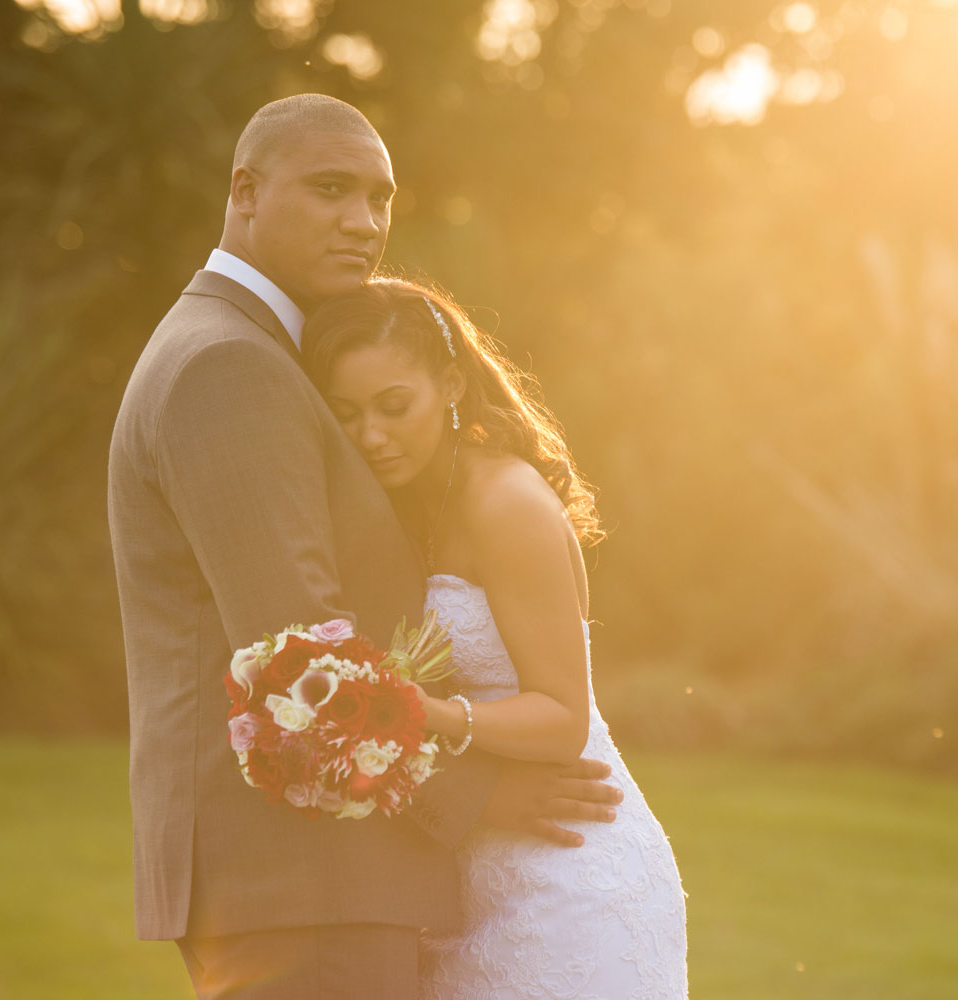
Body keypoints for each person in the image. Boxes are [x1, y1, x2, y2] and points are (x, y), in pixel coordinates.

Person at [107, 94, 621, 1000]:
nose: (365, 223)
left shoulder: (245, 347)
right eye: (332, 190)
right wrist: (479, 802)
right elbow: (305, 666)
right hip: (300, 878)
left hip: (306, 881)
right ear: (247, 191)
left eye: (381, 199)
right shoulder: (231, 365)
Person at [301, 277, 689, 999]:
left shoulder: (505, 504)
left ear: (450, 384)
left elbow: (563, 718)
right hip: (472, 878)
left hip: (569, 874)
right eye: (345, 414)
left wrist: (416, 711)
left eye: (393, 407)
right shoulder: (413, 502)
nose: (371, 437)